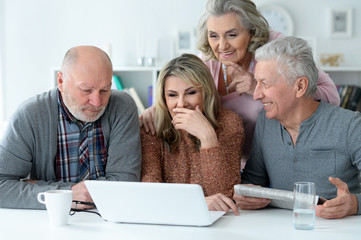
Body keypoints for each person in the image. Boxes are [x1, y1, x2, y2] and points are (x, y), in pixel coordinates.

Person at [140, 0, 340, 169]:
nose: (222, 45)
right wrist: (157, 108)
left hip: (280, 163)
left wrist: (258, 88)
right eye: (213, 36)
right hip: (228, 165)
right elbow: (178, 93)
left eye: (232, 35)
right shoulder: (207, 61)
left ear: (252, 32)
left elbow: (332, 97)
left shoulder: (276, 49)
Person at [0, 46, 142, 209]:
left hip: (109, 219)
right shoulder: (29, 115)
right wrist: (68, 194)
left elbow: (124, 183)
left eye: (104, 90)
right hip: (52, 221)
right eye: (86, 90)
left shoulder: (122, 106)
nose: (97, 102)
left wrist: (41, 187)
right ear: (61, 81)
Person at [234, 36, 361, 219]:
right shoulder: (265, 122)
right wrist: (245, 195)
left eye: (265, 83)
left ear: (300, 86)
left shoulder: (350, 125)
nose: (256, 95)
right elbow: (253, 182)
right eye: (256, 82)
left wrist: (354, 204)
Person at [141, 53, 244, 215]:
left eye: (191, 93)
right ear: (163, 97)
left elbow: (225, 197)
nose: (181, 103)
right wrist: (197, 203)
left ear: (206, 92)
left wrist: (208, 137)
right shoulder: (152, 126)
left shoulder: (229, 123)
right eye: (172, 95)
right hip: (166, 219)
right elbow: (149, 190)